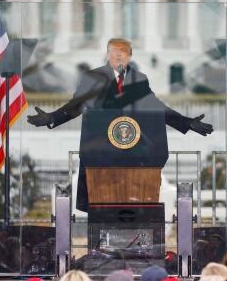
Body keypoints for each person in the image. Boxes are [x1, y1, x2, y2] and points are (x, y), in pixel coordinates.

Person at [28, 38, 213, 211]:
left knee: (132, 210)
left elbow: (156, 107)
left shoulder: (139, 79)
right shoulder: (93, 77)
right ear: (107, 55)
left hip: (133, 157)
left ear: (130, 56)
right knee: (100, 211)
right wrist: (52, 118)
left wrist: (186, 123)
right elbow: (76, 105)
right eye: (114, 51)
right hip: (100, 155)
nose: (118, 55)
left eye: (123, 52)